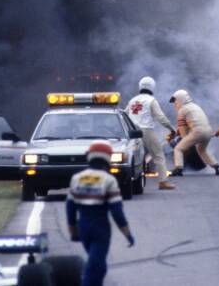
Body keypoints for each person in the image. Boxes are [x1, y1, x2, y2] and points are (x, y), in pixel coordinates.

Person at [66, 141, 135, 286]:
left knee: (98, 264)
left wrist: (73, 230)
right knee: (95, 267)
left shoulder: (77, 178)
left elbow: (70, 207)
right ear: (107, 158)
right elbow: (117, 212)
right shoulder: (108, 180)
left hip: (83, 227)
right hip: (101, 228)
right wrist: (127, 233)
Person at [125, 76, 176, 190]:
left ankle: (130, 180)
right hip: (146, 131)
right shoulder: (151, 100)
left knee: (133, 156)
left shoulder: (133, 100)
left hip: (132, 132)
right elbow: (161, 117)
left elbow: (125, 114)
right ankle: (163, 182)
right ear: (152, 87)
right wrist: (171, 129)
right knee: (158, 155)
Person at [168, 89, 219, 176]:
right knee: (202, 150)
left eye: (175, 101)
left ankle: (178, 168)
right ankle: (216, 166)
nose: (174, 103)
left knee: (178, 148)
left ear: (180, 99)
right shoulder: (196, 106)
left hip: (198, 132)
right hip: (208, 131)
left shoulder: (182, 110)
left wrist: (183, 141)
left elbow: (183, 130)